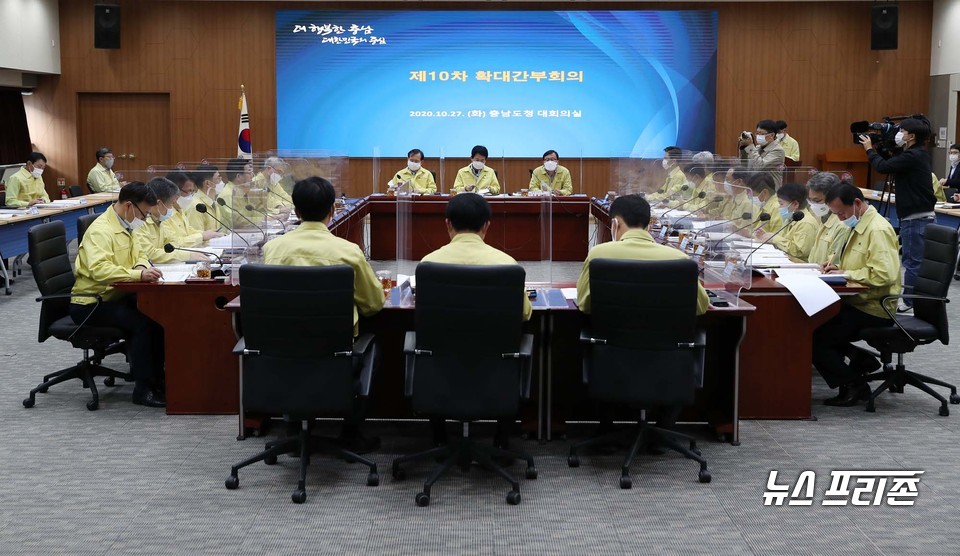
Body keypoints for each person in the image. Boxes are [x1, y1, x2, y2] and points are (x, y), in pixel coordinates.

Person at [262, 176, 385, 453]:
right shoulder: (348, 252)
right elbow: (373, 305)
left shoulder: (273, 250)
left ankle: (293, 427)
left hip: (281, 352)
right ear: (333, 210)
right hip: (336, 353)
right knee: (374, 349)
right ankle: (351, 433)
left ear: (296, 211)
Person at [419, 192, 532, 448]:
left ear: (447, 223)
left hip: (440, 370)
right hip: (496, 370)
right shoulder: (507, 264)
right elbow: (523, 313)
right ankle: (501, 439)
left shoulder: (430, 263)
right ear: (487, 226)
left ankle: (439, 438)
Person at [70, 182, 166, 407]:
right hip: (91, 303)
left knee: (159, 315)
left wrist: (142, 268)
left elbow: (140, 253)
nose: (145, 219)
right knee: (143, 323)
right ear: (129, 206)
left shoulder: (127, 224)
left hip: (116, 295)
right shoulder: (101, 230)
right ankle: (143, 390)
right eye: (144, 213)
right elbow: (99, 269)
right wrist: (137, 276)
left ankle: (158, 379)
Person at [813, 183, 901, 406]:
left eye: (841, 213)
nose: (840, 219)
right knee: (811, 324)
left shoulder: (877, 229)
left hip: (874, 306)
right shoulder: (856, 224)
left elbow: (885, 274)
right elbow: (853, 262)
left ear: (858, 204)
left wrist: (847, 273)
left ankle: (854, 385)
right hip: (856, 300)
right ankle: (859, 358)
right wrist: (835, 267)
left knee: (816, 340)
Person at [577, 194, 709, 315]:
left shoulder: (598, 254)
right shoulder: (680, 259)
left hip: (611, 338)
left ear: (615, 224)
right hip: (666, 339)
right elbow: (701, 307)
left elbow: (584, 304)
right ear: (649, 225)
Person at [860, 116, 935, 310]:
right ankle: (912, 299)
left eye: (902, 131)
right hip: (916, 216)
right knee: (912, 260)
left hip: (916, 218)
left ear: (911, 136)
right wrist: (880, 148)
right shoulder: (916, 154)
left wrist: (869, 149)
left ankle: (910, 301)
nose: (898, 134)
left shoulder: (913, 156)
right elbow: (891, 162)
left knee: (912, 262)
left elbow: (883, 167)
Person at [134, 177, 205, 264]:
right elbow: (150, 254)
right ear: (159, 203)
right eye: (171, 204)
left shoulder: (159, 220)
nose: (172, 208)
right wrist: (187, 256)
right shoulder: (139, 222)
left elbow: (174, 242)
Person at [755, 183, 820, 260]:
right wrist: (767, 237)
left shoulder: (806, 222)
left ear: (795, 204)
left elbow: (799, 251)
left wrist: (774, 238)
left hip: (798, 266)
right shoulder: (790, 219)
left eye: (781, 204)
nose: (779, 207)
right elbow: (783, 243)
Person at [805, 172, 851, 265]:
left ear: (834, 197)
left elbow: (833, 264)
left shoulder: (841, 224)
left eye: (817, 201)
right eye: (811, 200)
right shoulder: (824, 217)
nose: (813, 205)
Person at [164, 170, 223, 242]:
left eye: (192, 192)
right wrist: (202, 236)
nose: (190, 196)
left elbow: (188, 231)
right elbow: (174, 243)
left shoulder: (180, 209)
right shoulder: (164, 214)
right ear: (174, 190)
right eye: (188, 191)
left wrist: (207, 234)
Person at [218, 158, 264, 227]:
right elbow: (238, 222)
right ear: (239, 176)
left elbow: (255, 213)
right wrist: (263, 220)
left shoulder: (243, 191)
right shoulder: (228, 195)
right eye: (249, 172)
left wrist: (268, 218)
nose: (252, 176)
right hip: (231, 235)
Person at [739, 120, 786, 189]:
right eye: (757, 133)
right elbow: (744, 166)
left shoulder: (778, 150)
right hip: (755, 189)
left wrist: (751, 146)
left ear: (772, 135)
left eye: (761, 134)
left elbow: (760, 167)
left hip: (769, 191)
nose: (758, 136)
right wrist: (744, 147)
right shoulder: (757, 148)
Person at [186, 164, 224, 233]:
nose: (221, 181)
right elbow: (198, 237)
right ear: (207, 183)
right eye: (218, 178)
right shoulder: (196, 207)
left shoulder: (213, 202)